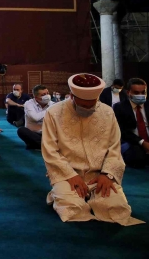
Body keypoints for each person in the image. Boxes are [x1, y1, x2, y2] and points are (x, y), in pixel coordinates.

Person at [42, 73, 143, 226]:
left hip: (99, 175)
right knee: (72, 209)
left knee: (117, 209)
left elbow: (114, 148)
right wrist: (70, 175)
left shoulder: (107, 112)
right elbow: (50, 150)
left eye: (92, 105)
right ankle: (60, 192)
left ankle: (78, 194)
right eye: (83, 105)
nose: (88, 109)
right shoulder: (54, 113)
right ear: (72, 97)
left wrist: (107, 175)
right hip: (67, 174)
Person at [113, 78, 149, 168]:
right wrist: (142, 142)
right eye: (136, 93)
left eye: (143, 92)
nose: (141, 95)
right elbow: (122, 131)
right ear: (128, 93)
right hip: (132, 141)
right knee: (138, 159)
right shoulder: (119, 107)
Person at [16, 85, 54, 150]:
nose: (47, 96)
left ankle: (37, 145)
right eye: (43, 94)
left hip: (47, 134)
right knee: (21, 130)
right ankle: (47, 146)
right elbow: (35, 118)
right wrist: (50, 110)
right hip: (33, 134)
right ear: (36, 97)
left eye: (47, 93)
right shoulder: (28, 104)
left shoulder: (52, 104)